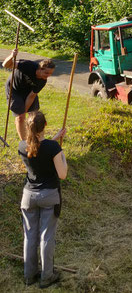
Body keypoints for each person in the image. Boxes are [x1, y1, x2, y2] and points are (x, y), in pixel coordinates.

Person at [18, 110, 67, 288]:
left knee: (29, 236)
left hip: (28, 197)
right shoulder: (54, 149)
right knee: (46, 237)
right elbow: (62, 174)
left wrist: (55, 139)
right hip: (49, 196)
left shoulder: (22, 146)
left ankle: (29, 276)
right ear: (44, 125)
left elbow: (37, 149)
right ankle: (47, 276)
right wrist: (61, 154)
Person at [3, 49, 56, 140]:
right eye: (46, 73)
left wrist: (25, 110)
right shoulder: (28, 65)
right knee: (20, 117)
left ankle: (34, 138)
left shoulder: (42, 81)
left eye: (50, 74)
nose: (48, 76)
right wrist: (12, 55)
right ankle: (24, 142)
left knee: (35, 116)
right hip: (14, 90)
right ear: (40, 69)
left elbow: (31, 96)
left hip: (28, 92)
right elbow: (6, 65)